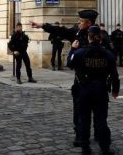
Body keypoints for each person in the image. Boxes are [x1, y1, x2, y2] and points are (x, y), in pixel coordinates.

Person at [30, 9, 98, 147]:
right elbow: (61, 31)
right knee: (78, 108)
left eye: (81, 21)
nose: (78, 22)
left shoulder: (99, 35)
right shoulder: (76, 32)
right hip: (81, 79)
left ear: (89, 22)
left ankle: (99, 133)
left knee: (98, 109)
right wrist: (43, 25)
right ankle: (80, 135)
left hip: (97, 79)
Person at [68, 25, 119, 155]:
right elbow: (114, 73)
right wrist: (115, 89)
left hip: (84, 90)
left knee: (84, 120)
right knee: (101, 119)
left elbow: (69, 63)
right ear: (100, 38)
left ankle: (85, 148)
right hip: (101, 90)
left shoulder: (80, 52)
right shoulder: (107, 54)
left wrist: (72, 49)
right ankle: (105, 147)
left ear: (88, 37)